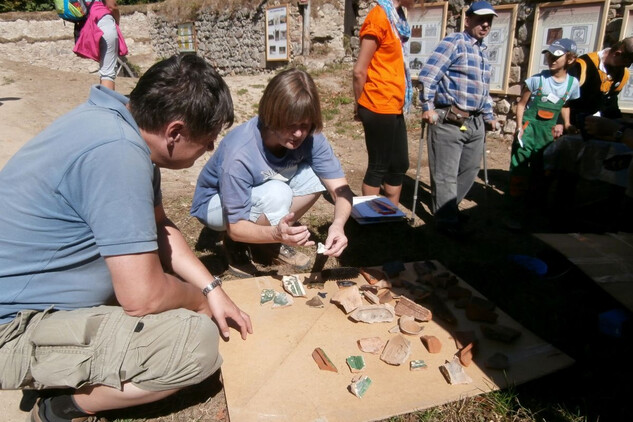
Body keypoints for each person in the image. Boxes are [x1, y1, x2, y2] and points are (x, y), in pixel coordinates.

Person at [0, 54, 252, 422]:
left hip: (31, 300)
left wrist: (212, 289)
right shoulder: (118, 153)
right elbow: (143, 296)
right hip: (12, 327)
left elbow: (160, 225)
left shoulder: (116, 122)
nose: (209, 150)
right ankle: (61, 408)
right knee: (194, 344)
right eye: (208, 141)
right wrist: (198, 303)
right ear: (175, 132)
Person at [191, 68, 354, 277]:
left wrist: (338, 226)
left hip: (261, 189)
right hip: (214, 205)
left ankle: (265, 241)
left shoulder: (311, 137)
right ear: (271, 116)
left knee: (317, 178)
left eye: (304, 125)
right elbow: (236, 226)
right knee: (277, 193)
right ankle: (237, 246)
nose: (298, 134)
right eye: (291, 125)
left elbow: (340, 190)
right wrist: (274, 233)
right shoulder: (240, 152)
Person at [418, 0, 498, 237]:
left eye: (489, 21)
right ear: (468, 19)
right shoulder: (455, 42)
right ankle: (446, 222)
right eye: (480, 19)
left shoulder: (482, 51)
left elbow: (483, 89)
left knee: (469, 170)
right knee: (445, 173)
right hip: (449, 118)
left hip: (473, 123)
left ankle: (447, 209)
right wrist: (427, 106)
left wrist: (489, 115)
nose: (485, 24)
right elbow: (428, 75)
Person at [507, 38, 580, 228]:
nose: (551, 59)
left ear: (570, 59)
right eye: (549, 55)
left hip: (548, 134)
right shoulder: (536, 80)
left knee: (542, 171)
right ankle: (514, 211)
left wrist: (566, 123)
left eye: (557, 56)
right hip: (529, 129)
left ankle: (533, 212)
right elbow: (521, 105)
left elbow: (565, 105)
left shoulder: (572, 84)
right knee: (520, 169)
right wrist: (519, 127)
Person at [352, 0, 415, 207]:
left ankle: (390, 213)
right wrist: (360, 104)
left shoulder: (397, 18)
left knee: (399, 165)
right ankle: (367, 216)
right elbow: (359, 70)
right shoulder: (379, 16)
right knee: (379, 166)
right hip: (377, 102)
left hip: (394, 103)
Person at [566, 37, 633, 130]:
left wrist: (618, 121)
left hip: (598, 128)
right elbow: (564, 98)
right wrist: (565, 123)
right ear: (617, 53)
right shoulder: (582, 65)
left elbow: (611, 100)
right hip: (573, 125)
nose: (627, 66)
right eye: (626, 63)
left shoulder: (623, 74)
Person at [74, 0, 128, 90]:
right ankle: (107, 103)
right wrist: (117, 21)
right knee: (108, 73)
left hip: (88, 25)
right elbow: (112, 6)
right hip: (103, 21)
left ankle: (102, 99)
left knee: (104, 69)